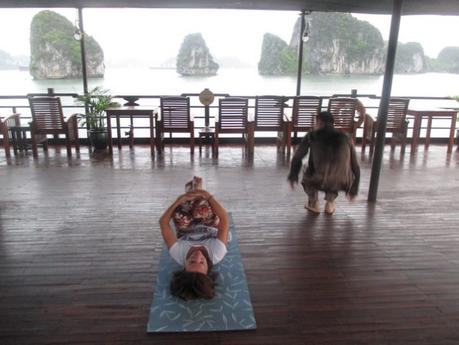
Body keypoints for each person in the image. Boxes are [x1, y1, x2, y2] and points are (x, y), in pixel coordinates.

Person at [159, 176, 229, 300]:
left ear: (184, 266)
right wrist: (207, 195)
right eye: (202, 262)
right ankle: (197, 192)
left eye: (192, 261)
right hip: (210, 224)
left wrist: (179, 200)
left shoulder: (178, 254)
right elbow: (224, 217)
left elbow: (163, 222)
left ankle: (191, 195)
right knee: (201, 208)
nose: (197, 256)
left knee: (180, 213)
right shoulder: (217, 253)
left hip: (186, 228)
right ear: (208, 267)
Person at [287, 111, 360, 215]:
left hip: (318, 179)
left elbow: (297, 157)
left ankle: (313, 202)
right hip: (341, 181)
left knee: (306, 168)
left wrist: (293, 176)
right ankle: (330, 203)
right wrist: (354, 189)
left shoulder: (312, 135)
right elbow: (355, 166)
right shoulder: (346, 137)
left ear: (319, 122)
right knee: (337, 170)